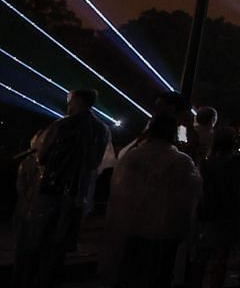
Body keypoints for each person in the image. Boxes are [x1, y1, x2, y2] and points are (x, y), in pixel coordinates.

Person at [14, 87, 113, 288]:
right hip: (77, 196)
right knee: (60, 245)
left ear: (77, 100)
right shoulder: (101, 129)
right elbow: (96, 162)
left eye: (70, 100)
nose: (68, 104)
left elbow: (42, 155)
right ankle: (50, 279)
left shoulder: (63, 125)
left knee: (36, 241)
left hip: (49, 192)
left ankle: (30, 280)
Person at [103, 113, 201, 288]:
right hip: (167, 232)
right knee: (160, 275)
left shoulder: (133, 157)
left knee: (132, 274)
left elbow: (119, 194)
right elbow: (190, 198)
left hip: (134, 229)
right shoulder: (183, 162)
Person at [189, 126, 240, 288]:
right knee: (221, 257)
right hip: (229, 214)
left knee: (202, 256)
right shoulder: (239, 160)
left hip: (208, 212)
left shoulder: (206, 163)